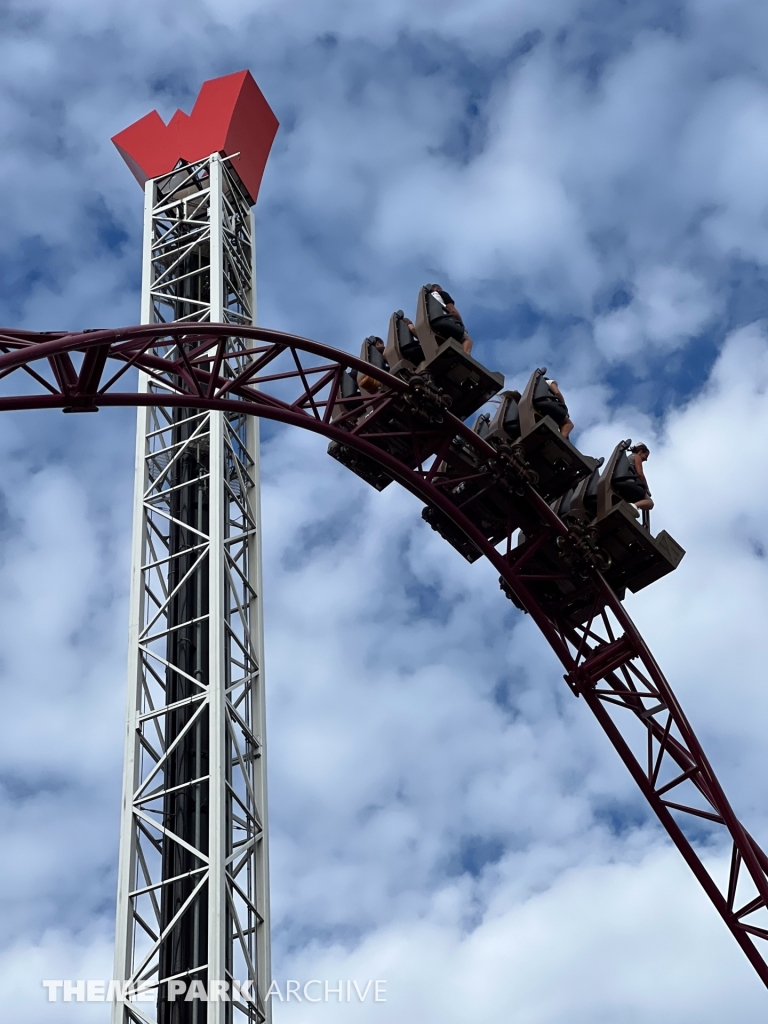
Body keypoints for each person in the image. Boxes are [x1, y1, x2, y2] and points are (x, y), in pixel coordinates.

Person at [426, 284, 474, 355]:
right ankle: (465, 358)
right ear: (438, 289)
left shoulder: (427, 299)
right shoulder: (441, 293)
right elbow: (453, 311)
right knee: (467, 339)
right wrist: (462, 326)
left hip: (432, 325)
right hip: (445, 321)